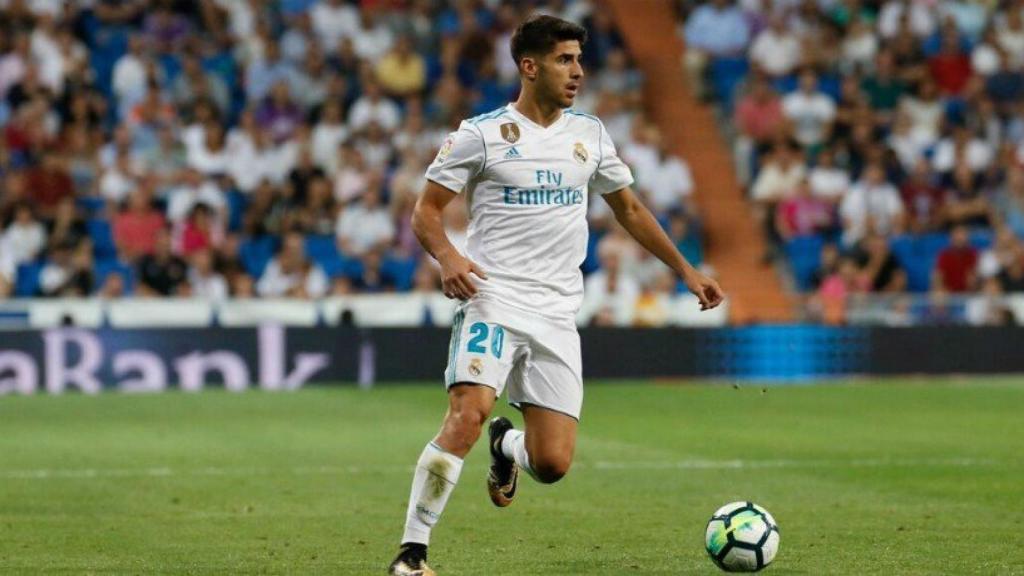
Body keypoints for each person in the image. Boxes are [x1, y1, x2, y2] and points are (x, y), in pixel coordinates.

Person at [387, 15, 724, 576]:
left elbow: (630, 211)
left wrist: (687, 271)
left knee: (553, 463)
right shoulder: (482, 133)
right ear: (529, 66)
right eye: (565, 60)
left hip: (557, 312)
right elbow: (425, 212)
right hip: (492, 298)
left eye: (579, 60)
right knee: (467, 413)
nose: (578, 72)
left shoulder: (589, 135)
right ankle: (411, 553)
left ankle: (506, 450)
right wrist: (449, 259)